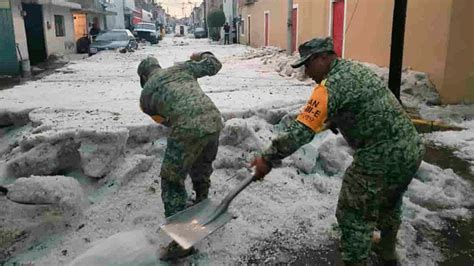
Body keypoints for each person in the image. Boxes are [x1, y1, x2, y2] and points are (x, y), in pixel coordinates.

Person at [251, 37, 424, 266]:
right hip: (410, 149)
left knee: (353, 215)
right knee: (389, 202)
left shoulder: (329, 87)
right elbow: (359, 106)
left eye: (308, 64)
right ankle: (387, 251)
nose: (306, 72)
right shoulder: (354, 70)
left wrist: (267, 158)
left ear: (323, 58)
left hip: (380, 156)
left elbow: (298, 134)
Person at [137, 52, 223, 260]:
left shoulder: (145, 97)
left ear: (143, 78)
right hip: (214, 119)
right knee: (201, 164)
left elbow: (164, 120)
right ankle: (202, 201)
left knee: (172, 179)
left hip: (186, 126)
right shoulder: (181, 68)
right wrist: (201, 55)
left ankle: (181, 243)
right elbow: (215, 64)